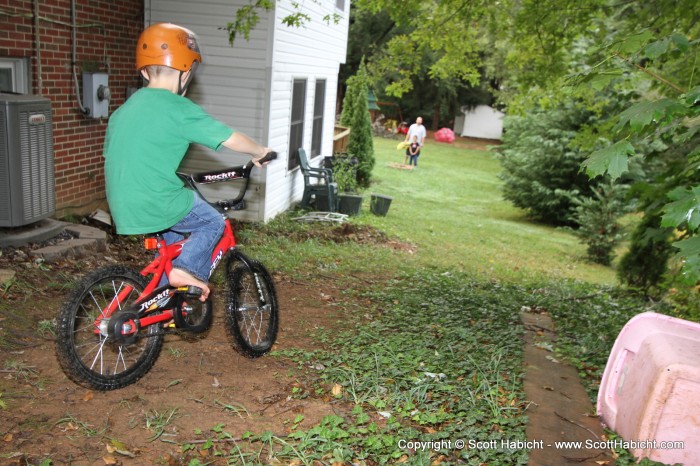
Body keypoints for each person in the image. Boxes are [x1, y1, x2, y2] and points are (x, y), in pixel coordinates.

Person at [103, 23, 272, 301]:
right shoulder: (179, 109)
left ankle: (166, 298)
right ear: (187, 71)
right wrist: (258, 151)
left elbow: (120, 155)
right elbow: (230, 138)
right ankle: (186, 270)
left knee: (174, 239)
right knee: (213, 223)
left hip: (122, 202)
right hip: (159, 200)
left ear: (144, 70)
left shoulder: (123, 111)